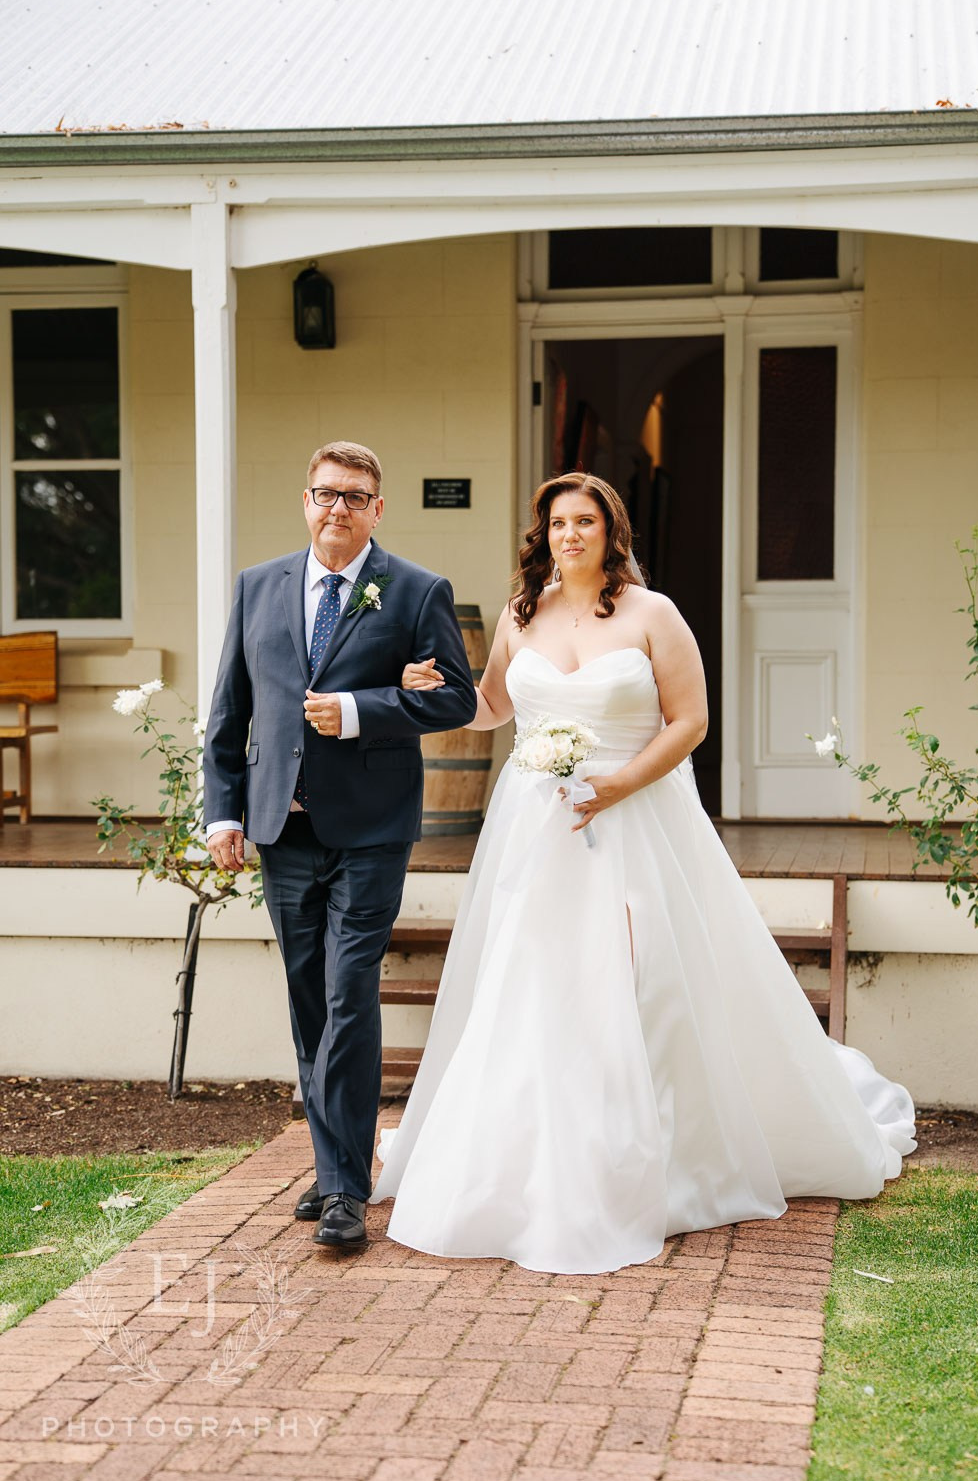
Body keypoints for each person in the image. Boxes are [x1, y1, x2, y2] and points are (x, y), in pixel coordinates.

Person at [373, 471, 917, 1275]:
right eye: (557, 523)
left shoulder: (651, 614)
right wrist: (431, 690)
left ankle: (659, 1156)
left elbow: (690, 720)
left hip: (631, 820)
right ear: (542, 534)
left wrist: (619, 784)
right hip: (534, 828)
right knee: (531, 984)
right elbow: (491, 710)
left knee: (641, 982)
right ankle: (532, 1160)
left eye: (584, 521)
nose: (569, 535)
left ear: (610, 530)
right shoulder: (524, 616)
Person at [203, 441, 477, 1253]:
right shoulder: (260, 586)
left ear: (377, 510)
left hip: (369, 830)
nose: (339, 508)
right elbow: (230, 711)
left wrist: (362, 710)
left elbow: (457, 699)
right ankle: (332, 1164)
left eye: (356, 497)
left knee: (349, 992)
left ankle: (346, 1191)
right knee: (307, 999)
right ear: (306, 499)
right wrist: (222, 814)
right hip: (280, 828)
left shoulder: (417, 591)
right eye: (326, 493)